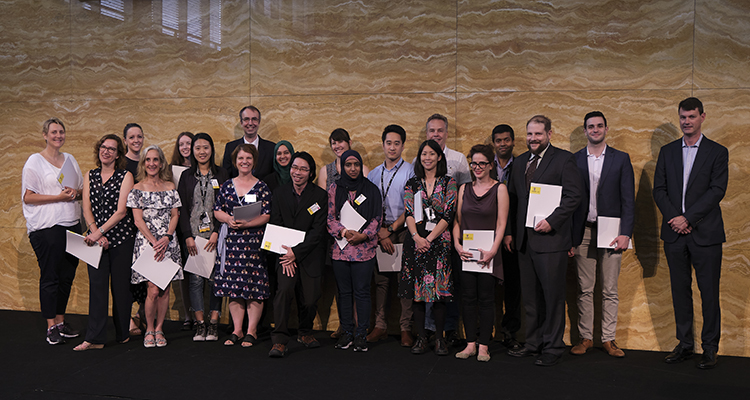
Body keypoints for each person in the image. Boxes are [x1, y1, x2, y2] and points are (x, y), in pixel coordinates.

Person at [653, 97, 728, 369]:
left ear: (702, 117)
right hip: (674, 234)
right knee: (679, 292)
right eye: (683, 117)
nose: (687, 121)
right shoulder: (667, 151)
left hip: (705, 234)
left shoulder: (717, 152)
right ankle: (684, 344)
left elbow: (717, 191)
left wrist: (688, 218)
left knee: (709, 293)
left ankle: (710, 348)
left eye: (692, 117)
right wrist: (675, 218)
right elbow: (658, 190)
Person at [504, 115, 583, 366]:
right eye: (529, 134)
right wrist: (509, 232)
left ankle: (553, 346)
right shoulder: (519, 163)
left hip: (551, 240)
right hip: (524, 242)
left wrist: (553, 220)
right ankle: (533, 343)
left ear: (550, 133)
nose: (533, 139)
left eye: (538, 134)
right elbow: (512, 200)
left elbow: (573, 196)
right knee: (530, 297)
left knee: (553, 297)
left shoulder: (563, 159)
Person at [569, 111, 635, 358]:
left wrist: (626, 233)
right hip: (583, 230)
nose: (595, 130)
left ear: (606, 129)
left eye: (599, 126)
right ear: (585, 131)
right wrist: (570, 238)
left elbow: (629, 200)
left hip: (612, 231)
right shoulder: (574, 160)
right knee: (585, 288)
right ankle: (585, 338)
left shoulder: (621, 159)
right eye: (590, 127)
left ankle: (608, 339)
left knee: (609, 289)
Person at [22, 118, 83, 345]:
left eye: (61, 132)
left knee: (67, 276)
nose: (58, 135)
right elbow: (28, 196)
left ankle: (60, 321)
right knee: (51, 277)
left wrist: (74, 192)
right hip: (47, 228)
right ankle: (50, 327)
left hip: (72, 224)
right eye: (54, 132)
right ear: (45, 135)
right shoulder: (34, 162)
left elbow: (79, 190)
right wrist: (58, 197)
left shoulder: (70, 159)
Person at [74, 135, 136, 351]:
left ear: (118, 154)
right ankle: (95, 338)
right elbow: (86, 208)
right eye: (103, 147)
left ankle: (122, 334)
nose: (106, 151)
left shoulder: (125, 175)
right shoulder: (90, 175)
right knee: (97, 288)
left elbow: (121, 212)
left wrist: (99, 232)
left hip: (121, 240)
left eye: (111, 148)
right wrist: (96, 234)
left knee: (121, 290)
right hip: (96, 241)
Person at [399, 139, 457, 356]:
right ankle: (421, 338)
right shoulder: (412, 184)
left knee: (439, 292)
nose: (427, 158)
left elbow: (448, 214)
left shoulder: (449, 183)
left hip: (439, 242)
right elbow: (409, 214)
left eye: (432, 154)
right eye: (424, 154)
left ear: (439, 156)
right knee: (418, 293)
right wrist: (416, 237)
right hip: (415, 242)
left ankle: (440, 339)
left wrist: (429, 239)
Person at [268, 152, 328, 358]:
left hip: (309, 255)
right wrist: (287, 254)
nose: (298, 172)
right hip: (285, 255)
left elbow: (318, 232)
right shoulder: (279, 193)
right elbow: (275, 224)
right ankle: (279, 340)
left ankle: (305, 332)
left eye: (303, 169)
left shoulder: (320, 196)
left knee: (310, 300)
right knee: (283, 292)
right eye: (295, 167)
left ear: (310, 172)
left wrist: (297, 252)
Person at [453, 144, 509, 362]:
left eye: (482, 163)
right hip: (466, 254)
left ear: (490, 165)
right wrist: (457, 245)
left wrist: (493, 251)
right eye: (473, 163)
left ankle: (484, 346)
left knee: (486, 299)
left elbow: (502, 223)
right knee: (467, 298)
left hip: (489, 254)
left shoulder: (500, 189)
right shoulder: (463, 189)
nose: (477, 167)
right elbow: (457, 221)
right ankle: (470, 344)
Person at [213, 144, 272, 347]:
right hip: (231, 244)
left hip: (253, 243)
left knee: (254, 287)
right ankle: (237, 329)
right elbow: (216, 210)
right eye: (240, 158)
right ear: (235, 161)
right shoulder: (227, 185)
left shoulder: (262, 187)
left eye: (248, 158)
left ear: (254, 161)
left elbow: (266, 214)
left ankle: (252, 330)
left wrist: (248, 223)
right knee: (234, 288)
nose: (244, 161)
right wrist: (228, 219)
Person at [420, 114, 471, 346]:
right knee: (428, 281)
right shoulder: (422, 159)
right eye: (432, 131)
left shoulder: (459, 159)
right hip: (426, 234)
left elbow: (467, 195)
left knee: (450, 283)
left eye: (440, 131)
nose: (436, 135)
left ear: (447, 133)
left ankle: (449, 329)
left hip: (453, 231)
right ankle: (430, 329)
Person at [127, 145, 183, 348]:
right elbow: (138, 220)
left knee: (165, 288)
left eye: (155, 160)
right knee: (151, 289)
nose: (152, 163)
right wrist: (154, 242)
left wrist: (167, 237)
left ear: (161, 163)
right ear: (143, 163)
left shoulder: (170, 186)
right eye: (148, 160)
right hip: (147, 243)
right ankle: (149, 328)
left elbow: (175, 215)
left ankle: (160, 329)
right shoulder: (136, 189)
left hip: (168, 242)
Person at [327, 150, 382, 352]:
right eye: (348, 165)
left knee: (362, 293)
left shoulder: (371, 189)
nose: (352, 169)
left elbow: (377, 217)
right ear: (342, 166)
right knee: (344, 293)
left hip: (364, 250)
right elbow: (330, 217)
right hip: (340, 250)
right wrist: (342, 231)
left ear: (361, 166)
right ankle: (347, 332)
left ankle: (361, 334)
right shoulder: (335, 188)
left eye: (356, 165)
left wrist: (364, 235)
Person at [318, 128, 370, 340]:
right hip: (336, 237)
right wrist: (340, 230)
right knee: (342, 286)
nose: (337, 146)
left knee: (360, 287)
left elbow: (369, 202)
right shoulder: (326, 171)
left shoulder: (363, 168)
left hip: (360, 238)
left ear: (349, 143)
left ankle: (360, 327)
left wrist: (358, 232)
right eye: (334, 143)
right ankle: (344, 325)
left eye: (341, 142)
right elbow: (323, 205)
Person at [366, 124, 415, 347]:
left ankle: (406, 328)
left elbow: (412, 206)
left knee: (404, 281)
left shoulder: (411, 171)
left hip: (403, 231)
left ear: (403, 146)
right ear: (383, 144)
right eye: (388, 143)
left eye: (397, 143)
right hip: (379, 233)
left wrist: (392, 229)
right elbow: (369, 207)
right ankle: (380, 325)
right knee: (381, 282)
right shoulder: (374, 174)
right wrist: (380, 233)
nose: (392, 147)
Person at [177, 133, 229, 342]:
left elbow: (226, 205)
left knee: (216, 279)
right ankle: (200, 325)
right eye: (197, 148)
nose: (201, 152)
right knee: (196, 281)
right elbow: (180, 208)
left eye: (205, 147)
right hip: (194, 237)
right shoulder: (186, 176)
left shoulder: (223, 174)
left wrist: (217, 231)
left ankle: (214, 324)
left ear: (212, 149)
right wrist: (188, 236)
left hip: (216, 236)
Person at [491, 124, 523, 352]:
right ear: (493, 143)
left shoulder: (522, 165)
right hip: (486, 235)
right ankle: (486, 332)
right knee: (487, 288)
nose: (503, 144)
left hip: (513, 237)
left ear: (513, 141)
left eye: (507, 140)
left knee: (513, 287)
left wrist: (509, 232)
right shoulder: (484, 165)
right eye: (499, 140)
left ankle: (510, 333)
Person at [122, 122, 147, 335]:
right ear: (125, 141)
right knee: (129, 273)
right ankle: (128, 318)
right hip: (129, 225)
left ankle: (142, 315)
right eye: (132, 137)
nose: (136, 140)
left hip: (150, 227)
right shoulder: (122, 164)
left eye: (139, 136)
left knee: (146, 272)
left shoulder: (149, 161)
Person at [170, 131, 195, 331]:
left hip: (198, 227)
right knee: (184, 274)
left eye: (189, 143)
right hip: (176, 226)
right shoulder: (171, 171)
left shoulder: (202, 169)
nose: (185, 147)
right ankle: (188, 314)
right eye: (182, 144)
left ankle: (200, 313)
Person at [222, 106, 275, 180]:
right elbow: (226, 177)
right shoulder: (230, 148)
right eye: (246, 119)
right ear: (241, 122)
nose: (250, 123)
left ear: (259, 122)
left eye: (254, 119)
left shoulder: (272, 148)